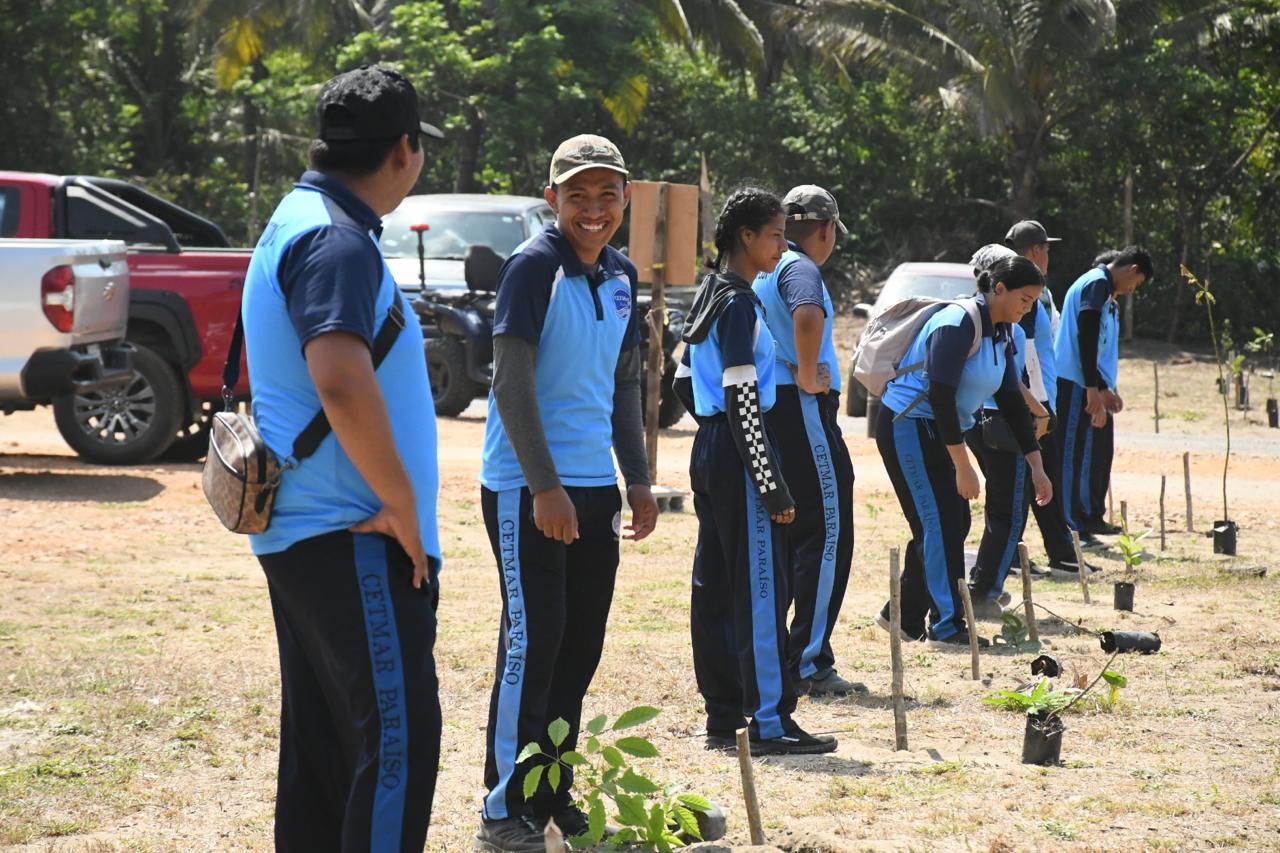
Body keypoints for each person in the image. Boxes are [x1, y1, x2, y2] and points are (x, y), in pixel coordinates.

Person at [240, 65, 444, 851]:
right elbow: (340, 378)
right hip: (351, 532)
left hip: (312, 530)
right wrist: (399, 501)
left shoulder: (300, 216)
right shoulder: (335, 238)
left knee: (327, 751)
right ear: (405, 148)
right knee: (398, 740)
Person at [476, 134, 659, 853]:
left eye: (605, 195)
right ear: (551, 200)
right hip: (529, 489)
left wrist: (636, 479)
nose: (592, 209)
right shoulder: (531, 268)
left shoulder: (621, 274)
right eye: (576, 196)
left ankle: (553, 789)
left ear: (625, 199)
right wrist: (545, 486)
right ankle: (503, 805)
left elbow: (621, 384)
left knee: (579, 645)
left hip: (594, 491)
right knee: (534, 641)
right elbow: (510, 382)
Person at [674, 187, 837, 755]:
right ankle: (768, 720)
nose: (781, 244)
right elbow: (743, 393)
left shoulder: (709, 292)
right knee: (763, 586)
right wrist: (770, 484)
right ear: (746, 236)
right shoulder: (740, 302)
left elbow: (680, 376)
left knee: (715, 586)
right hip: (745, 448)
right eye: (773, 234)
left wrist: (712, 430)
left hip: (713, 447)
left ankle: (724, 717)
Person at [874, 255, 1052, 648]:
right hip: (909, 426)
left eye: (1033, 303)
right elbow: (940, 396)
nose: (1028, 309)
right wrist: (963, 466)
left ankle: (901, 617)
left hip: (941, 430)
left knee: (951, 522)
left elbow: (1010, 401)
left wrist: (1037, 465)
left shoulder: (1004, 333)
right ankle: (947, 626)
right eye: (1024, 299)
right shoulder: (957, 324)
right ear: (999, 289)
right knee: (939, 524)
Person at [751, 185, 862, 697]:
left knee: (796, 534)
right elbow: (808, 314)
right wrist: (809, 375)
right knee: (828, 533)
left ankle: (790, 652)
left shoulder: (765, 263)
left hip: (777, 413)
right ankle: (810, 661)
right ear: (826, 229)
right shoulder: (800, 267)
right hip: (802, 412)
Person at [1054, 246, 1153, 539]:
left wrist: (1103, 386)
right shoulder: (1096, 284)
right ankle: (1071, 525)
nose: (1133, 289)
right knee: (1071, 455)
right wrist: (1092, 388)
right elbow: (1085, 336)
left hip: (1088, 383)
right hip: (1075, 383)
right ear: (1131, 270)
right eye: (1137, 283)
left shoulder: (1106, 292)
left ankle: (1087, 518)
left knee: (1092, 453)